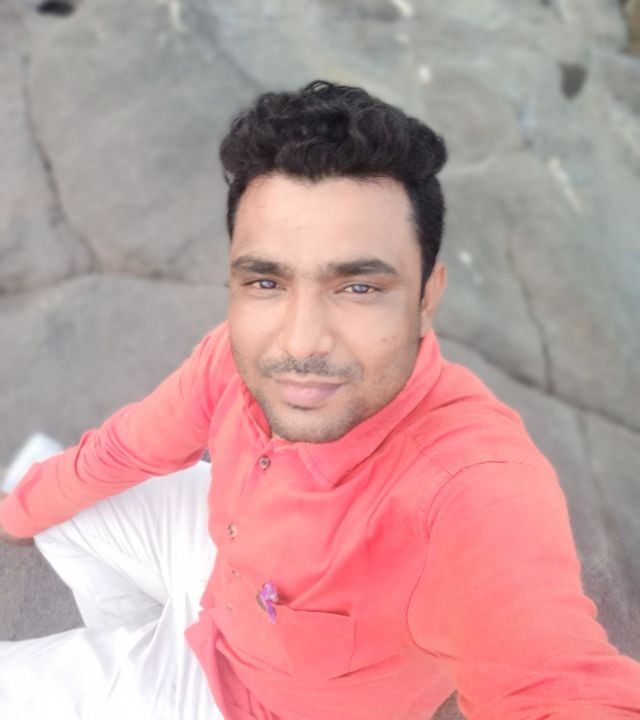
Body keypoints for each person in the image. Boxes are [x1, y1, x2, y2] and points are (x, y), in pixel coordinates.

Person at [1, 80, 640, 720]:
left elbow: (561, 688)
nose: (301, 341)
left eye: (358, 287)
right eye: (267, 281)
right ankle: (144, 644)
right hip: (218, 581)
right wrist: (17, 514)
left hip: (249, 704)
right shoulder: (232, 357)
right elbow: (127, 447)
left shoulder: (464, 495)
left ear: (426, 298)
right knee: (44, 491)